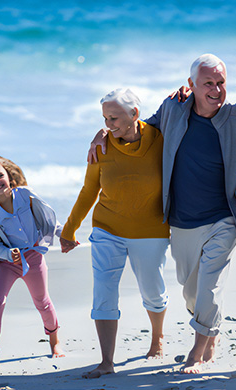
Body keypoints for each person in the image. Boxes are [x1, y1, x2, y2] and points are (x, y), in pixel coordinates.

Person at [89, 54, 236, 374]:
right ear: (191, 85)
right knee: (190, 291)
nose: (216, 90)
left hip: (223, 217)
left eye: (221, 83)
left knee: (209, 288)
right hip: (183, 221)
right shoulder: (173, 109)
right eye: (208, 84)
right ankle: (209, 330)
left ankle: (197, 353)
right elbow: (136, 130)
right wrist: (103, 133)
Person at [60, 88, 170, 378]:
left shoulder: (160, 140)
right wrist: (70, 228)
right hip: (107, 229)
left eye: (114, 118)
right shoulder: (102, 147)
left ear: (135, 114)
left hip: (151, 229)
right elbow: (88, 190)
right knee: (104, 292)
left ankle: (157, 338)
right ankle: (106, 361)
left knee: (152, 290)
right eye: (105, 119)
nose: (109, 125)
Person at [0, 154, 64, 372]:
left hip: (33, 258)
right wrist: (8, 253)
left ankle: (55, 342)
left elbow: (49, 219)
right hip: (6, 264)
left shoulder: (25, 195)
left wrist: (66, 236)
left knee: (42, 301)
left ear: (9, 175)